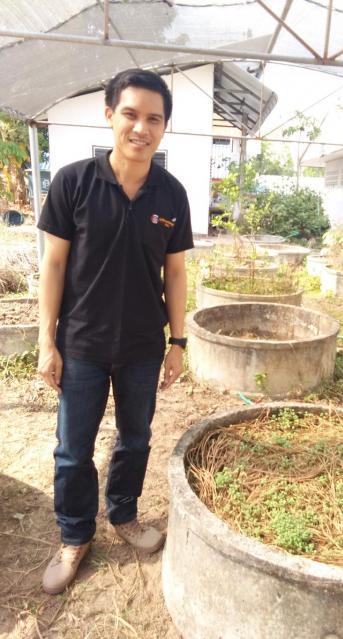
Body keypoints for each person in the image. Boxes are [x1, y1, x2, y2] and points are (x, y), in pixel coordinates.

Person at [37, 68, 193, 595]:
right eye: (130, 114)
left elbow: (175, 272)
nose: (141, 128)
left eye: (154, 119)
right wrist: (46, 341)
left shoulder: (171, 194)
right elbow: (54, 265)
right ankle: (74, 535)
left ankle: (123, 513)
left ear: (164, 127)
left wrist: (178, 343)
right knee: (72, 449)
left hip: (143, 346)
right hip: (81, 343)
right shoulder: (73, 182)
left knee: (135, 438)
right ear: (110, 116)